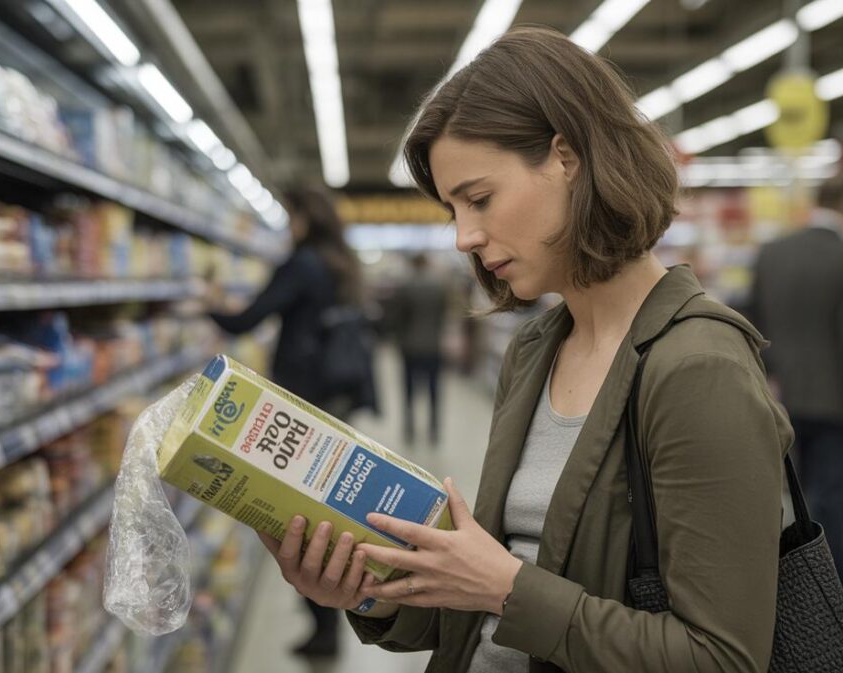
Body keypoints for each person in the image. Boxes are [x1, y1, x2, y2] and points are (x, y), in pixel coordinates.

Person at [254, 26, 795, 672]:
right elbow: (484, 607)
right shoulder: (536, 350)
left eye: (478, 198)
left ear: (565, 158)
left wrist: (505, 584)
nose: (463, 237)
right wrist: (367, 588)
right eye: (453, 210)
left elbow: (722, 658)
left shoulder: (698, 368)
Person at [207, 186, 367, 658]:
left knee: (298, 519)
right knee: (322, 511)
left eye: (289, 215)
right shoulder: (339, 263)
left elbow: (246, 321)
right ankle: (330, 625)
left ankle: (323, 627)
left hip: (303, 397)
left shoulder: (302, 264)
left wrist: (210, 302)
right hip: (334, 395)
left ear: (302, 218)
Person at [747, 171, 843, 611]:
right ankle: (838, 604)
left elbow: (753, 324)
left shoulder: (772, 253)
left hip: (783, 398)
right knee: (832, 504)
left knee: (791, 501)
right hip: (837, 403)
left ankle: (794, 596)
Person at [391, 253, 449, 445]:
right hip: (433, 345)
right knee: (434, 390)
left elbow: (398, 317)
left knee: (408, 390)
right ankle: (433, 430)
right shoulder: (439, 286)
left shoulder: (405, 286)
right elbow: (443, 315)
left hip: (410, 346)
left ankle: (409, 428)